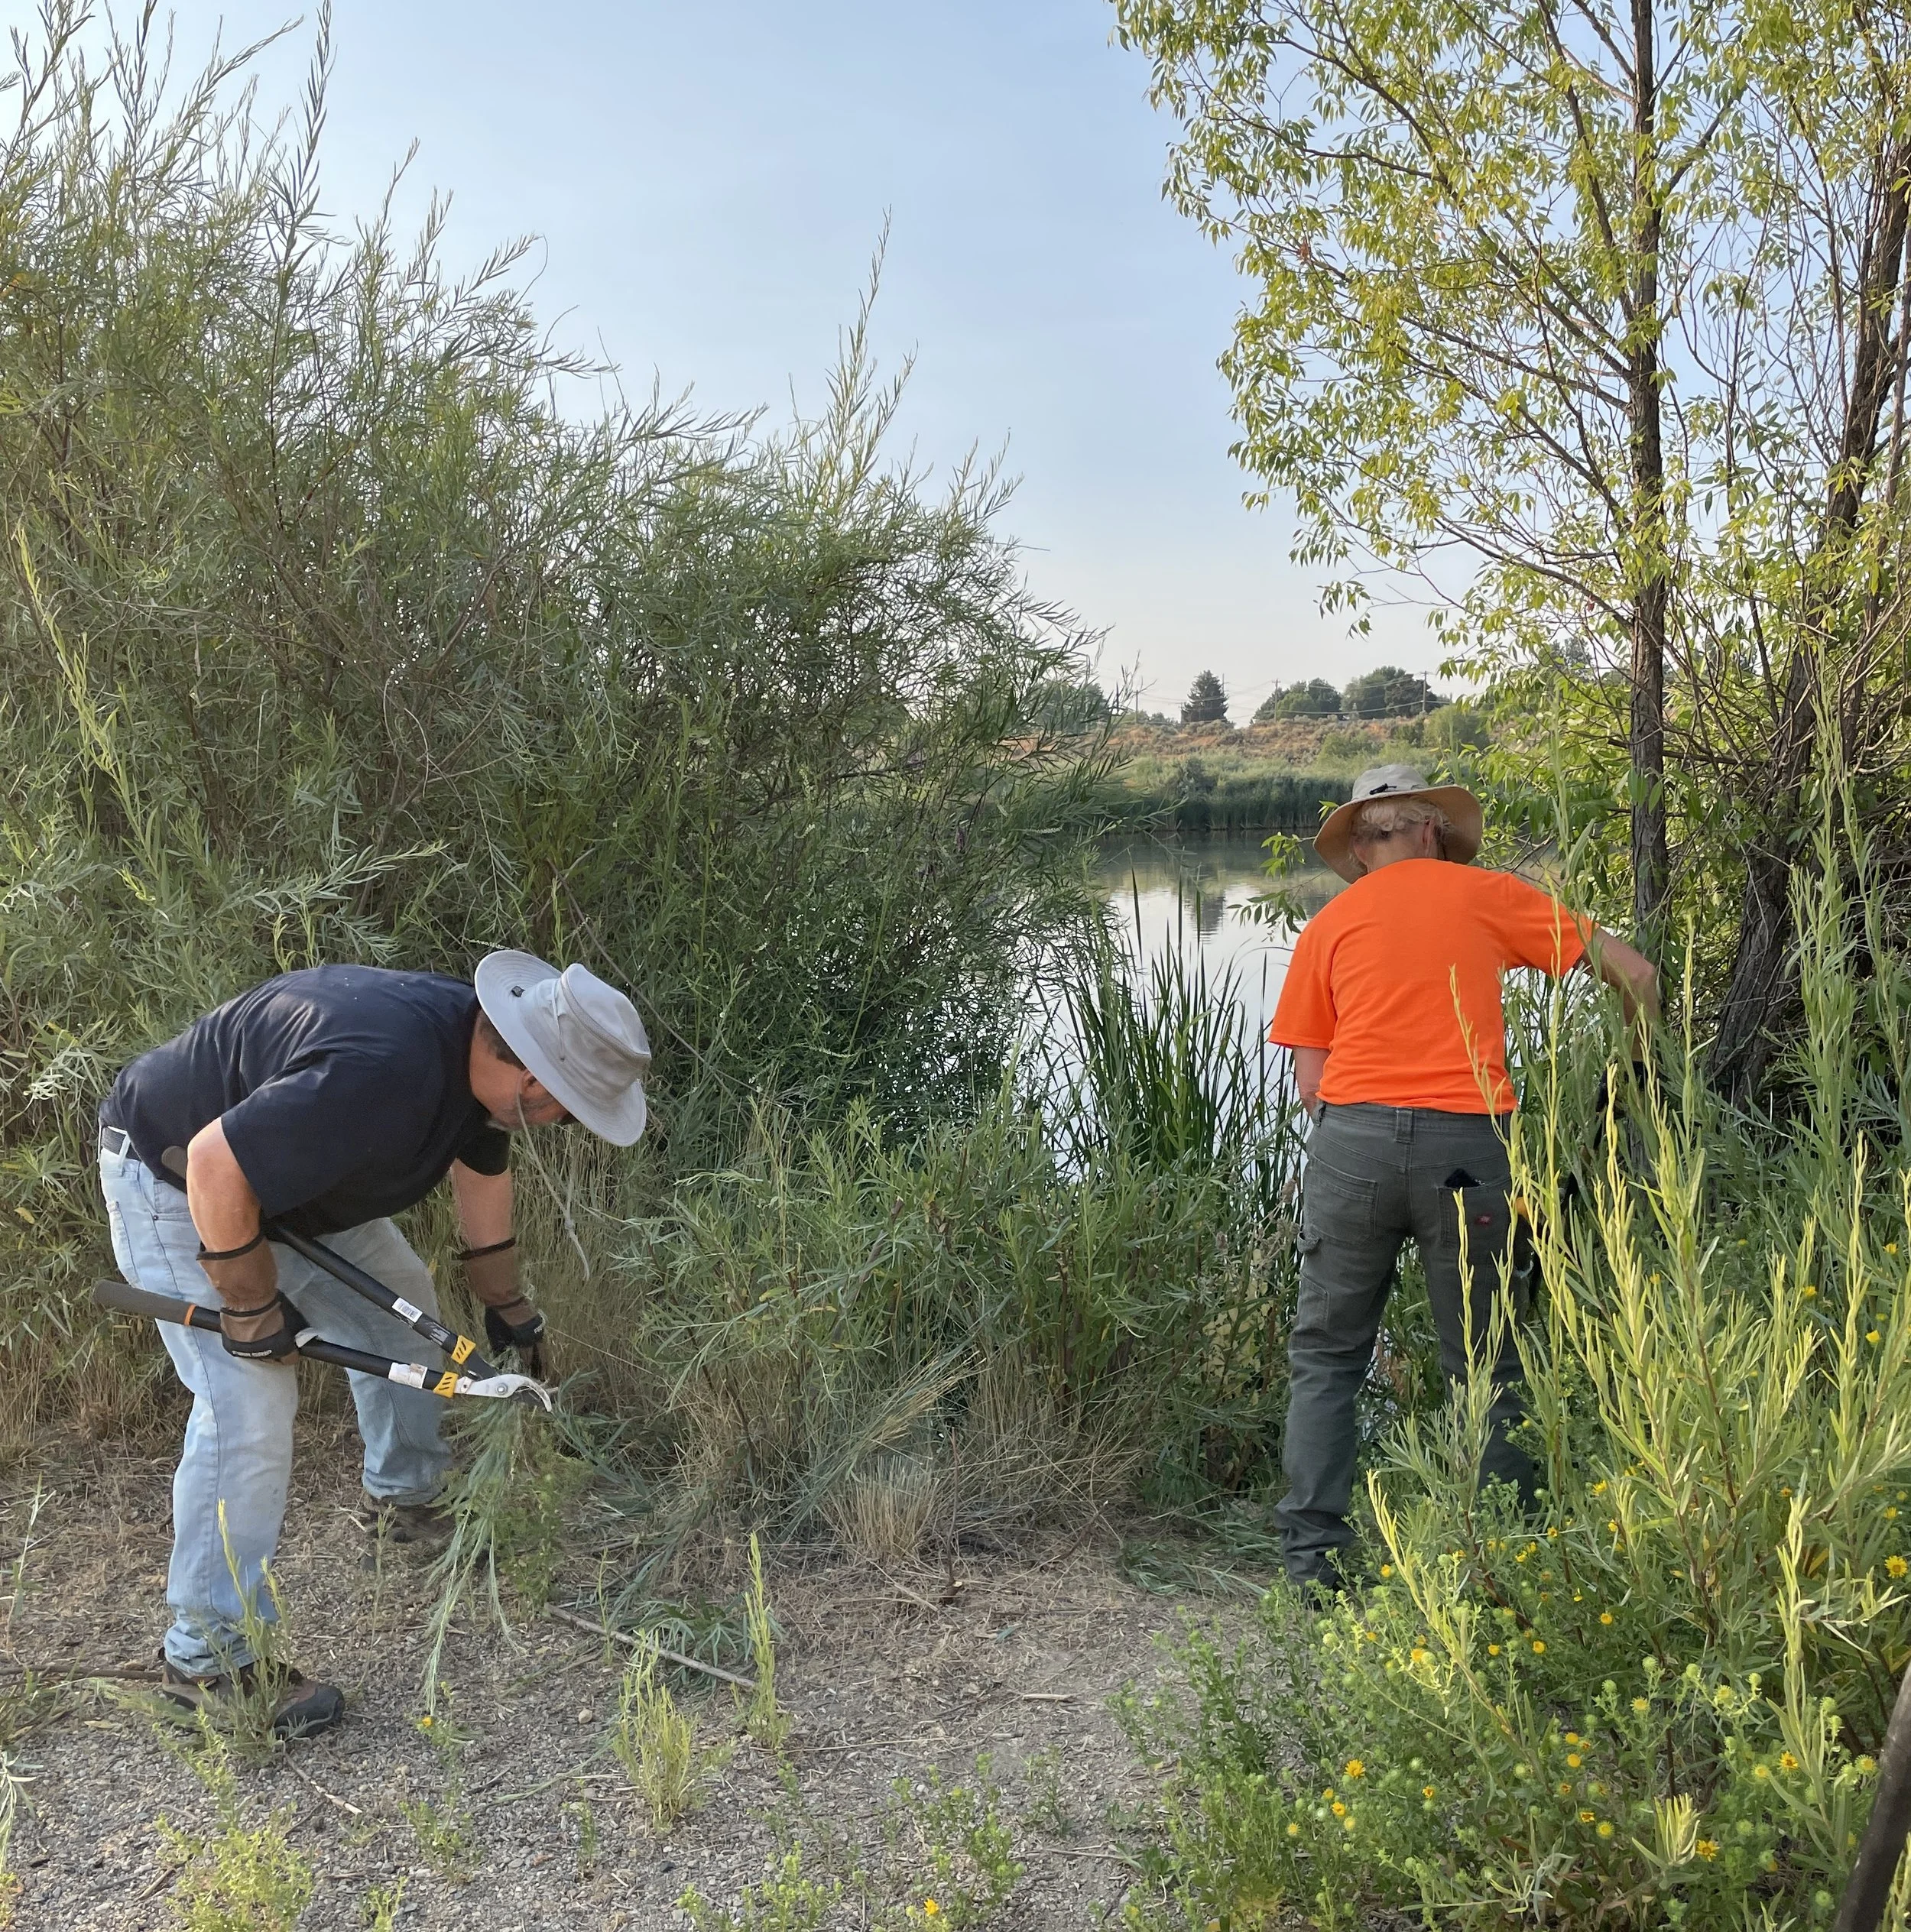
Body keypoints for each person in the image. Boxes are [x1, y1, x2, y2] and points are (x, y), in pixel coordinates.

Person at [98, 950, 651, 1736]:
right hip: (178, 1177)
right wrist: (252, 1304)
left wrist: (506, 1300)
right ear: (533, 1080)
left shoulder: (475, 1065)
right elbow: (218, 1165)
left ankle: (404, 1499)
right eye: (567, 1106)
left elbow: (482, 1168)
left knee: (408, 1312)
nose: (562, 1122)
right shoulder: (383, 1069)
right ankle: (205, 1659)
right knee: (248, 1404)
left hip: (293, 1190)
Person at [1268, 766, 1657, 1590]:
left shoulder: (1328, 926)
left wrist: (1362, 1144)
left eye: (1369, 840)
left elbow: (1310, 1083)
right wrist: (1632, 1071)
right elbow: (1639, 974)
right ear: (1433, 832)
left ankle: (1312, 1568)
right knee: (1487, 1363)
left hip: (1352, 1146)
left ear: (1393, 840)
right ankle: (1503, 1569)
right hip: (1469, 1147)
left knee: (1328, 1358)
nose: (1369, 855)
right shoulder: (1485, 896)